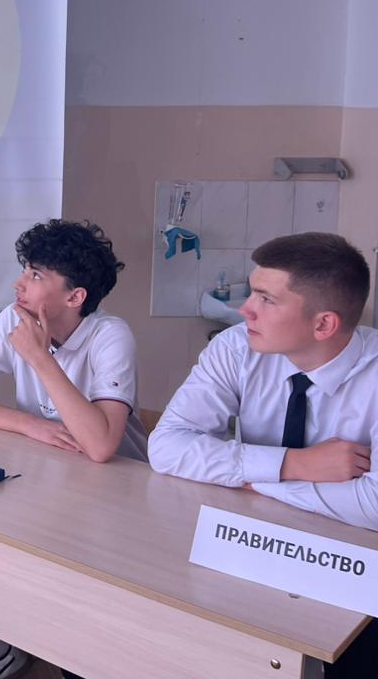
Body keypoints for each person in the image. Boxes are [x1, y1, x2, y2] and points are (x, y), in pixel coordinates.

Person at [149, 231, 378, 678]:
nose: (245, 309)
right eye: (252, 292)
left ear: (323, 325)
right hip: (254, 537)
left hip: (354, 560)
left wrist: (261, 481)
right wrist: (293, 464)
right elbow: (167, 444)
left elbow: (373, 505)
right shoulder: (236, 346)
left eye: (266, 300)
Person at [0, 220, 143, 679]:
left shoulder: (110, 335)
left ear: (75, 297)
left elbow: (101, 446)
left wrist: (38, 356)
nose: (19, 284)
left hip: (118, 494)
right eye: (25, 270)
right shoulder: (13, 320)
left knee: (78, 627)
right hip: (47, 475)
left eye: (35, 275)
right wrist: (31, 425)